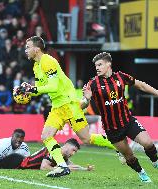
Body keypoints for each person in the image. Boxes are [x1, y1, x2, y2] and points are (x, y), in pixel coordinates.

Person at [18, 36, 117, 177]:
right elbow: (41, 88)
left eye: (28, 47)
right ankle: (63, 166)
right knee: (46, 136)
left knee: (86, 139)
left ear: (37, 49)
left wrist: (33, 89)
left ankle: (117, 144)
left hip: (69, 104)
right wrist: (28, 90)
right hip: (57, 106)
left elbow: (53, 86)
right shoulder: (36, 65)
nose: (26, 50)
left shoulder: (48, 61)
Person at [82, 52, 158, 183]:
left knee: (148, 143)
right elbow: (83, 104)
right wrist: (86, 98)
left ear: (109, 64)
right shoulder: (92, 84)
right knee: (129, 156)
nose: (97, 67)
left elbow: (140, 84)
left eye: (100, 64)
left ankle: (156, 162)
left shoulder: (121, 77)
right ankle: (142, 173)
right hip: (112, 129)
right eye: (96, 65)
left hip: (127, 121)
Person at [0, 138, 94, 172]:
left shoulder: (63, 157)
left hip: (21, 161)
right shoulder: (53, 150)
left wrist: (85, 169)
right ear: (66, 145)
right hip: (18, 162)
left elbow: (71, 165)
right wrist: (60, 168)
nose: (73, 153)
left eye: (75, 152)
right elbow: (44, 167)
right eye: (73, 150)